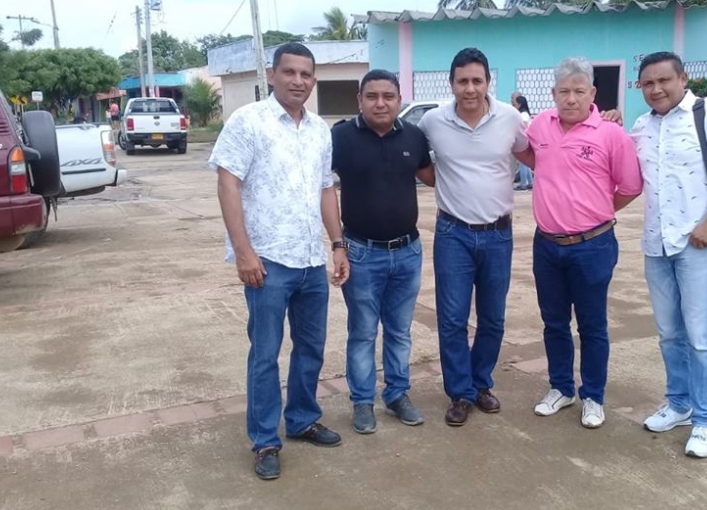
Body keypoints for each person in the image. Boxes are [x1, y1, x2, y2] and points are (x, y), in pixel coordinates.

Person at [209, 42, 350, 480]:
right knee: (265, 354)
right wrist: (244, 252)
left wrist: (338, 243)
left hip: (310, 260)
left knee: (310, 348)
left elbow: (326, 188)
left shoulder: (319, 131)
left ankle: (303, 418)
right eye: (289, 72)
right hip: (267, 262)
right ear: (272, 76)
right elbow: (228, 184)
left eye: (306, 75)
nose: (298, 81)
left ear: (313, 80)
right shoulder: (247, 122)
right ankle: (265, 440)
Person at [630, 51, 707, 458]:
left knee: (701, 338)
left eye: (664, 80)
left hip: (698, 245)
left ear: (683, 78)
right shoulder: (641, 127)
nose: (656, 89)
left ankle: (706, 421)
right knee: (669, 334)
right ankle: (679, 404)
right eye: (647, 83)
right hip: (656, 245)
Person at [518, 57, 641, 428]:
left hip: (593, 245)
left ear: (592, 94)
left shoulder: (611, 134)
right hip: (547, 245)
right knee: (553, 322)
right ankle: (561, 388)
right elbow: (528, 154)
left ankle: (593, 396)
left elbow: (631, 186)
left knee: (592, 324)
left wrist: (599, 208)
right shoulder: (540, 125)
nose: (571, 99)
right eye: (564, 91)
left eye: (579, 91)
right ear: (553, 94)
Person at [417, 48, 529, 427]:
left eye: (477, 81)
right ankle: (460, 393)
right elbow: (418, 161)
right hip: (453, 235)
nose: (470, 88)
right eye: (462, 81)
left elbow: (536, 154)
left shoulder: (510, 118)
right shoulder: (433, 121)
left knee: (493, 319)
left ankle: (481, 383)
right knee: (452, 319)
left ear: (487, 83)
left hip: (498, 235)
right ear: (451, 84)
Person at [331, 69, 435, 434]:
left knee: (400, 331)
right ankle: (362, 402)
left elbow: (433, 176)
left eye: (388, 96)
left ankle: (397, 394)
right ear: (359, 99)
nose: (380, 103)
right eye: (372, 96)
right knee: (362, 332)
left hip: (408, 252)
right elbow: (320, 188)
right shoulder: (340, 137)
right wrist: (337, 244)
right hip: (361, 253)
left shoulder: (414, 136)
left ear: (399, 100)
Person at [512, 95, 534, 191]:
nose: (513, 105)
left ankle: (524, 183)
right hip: (526, 140)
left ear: (519, 104)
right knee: (525, 164)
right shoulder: (524, 114)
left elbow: (524, 127)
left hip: (523, 140)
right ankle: (530, 182)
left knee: (523, 164)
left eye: (515, 104)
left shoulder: (523, 115)